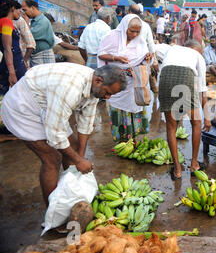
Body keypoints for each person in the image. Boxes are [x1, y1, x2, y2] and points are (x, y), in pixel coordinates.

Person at [0, 63, 126, 206]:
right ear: (98, 81)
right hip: (23, 107)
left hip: (48, 104)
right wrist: (78, 161)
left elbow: (86, 122)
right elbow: (55, 134)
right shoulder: (70, 88)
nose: (108, 97)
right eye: (108, 92)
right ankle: (53, 211)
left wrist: (80, 156)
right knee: (52, 159)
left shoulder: (96, 85)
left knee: (74, 148)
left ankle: (70, 192)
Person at [158, 40, 211, 180]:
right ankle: (194, 164)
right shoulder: (198, 55)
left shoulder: (172, 49)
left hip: (165, 78)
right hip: (185, 77)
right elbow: (202, 89)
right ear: (198, 49)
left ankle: (177, 169)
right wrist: (207, 117)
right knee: (196, 123)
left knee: (171, 127)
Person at [97, 14, 152, 142]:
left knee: (134, 105)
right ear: (124, 27)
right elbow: (101, 54)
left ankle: (132, 138)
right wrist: (116, 58)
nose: (134, 34)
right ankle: (121, 139)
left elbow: (142, 59)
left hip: (133, 81)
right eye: (132, 31)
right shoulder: (111, 37)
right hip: (115, 81)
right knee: (118, 107)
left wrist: (146, 58)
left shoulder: (140, 40)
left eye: (138, 32)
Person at [0, 0, 27, 95]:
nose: (20, 14)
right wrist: (12, 72)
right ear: (12, 9)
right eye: (18, 11)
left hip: (10, 62)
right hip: (13, 63)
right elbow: (7, 48)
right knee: (22, 92)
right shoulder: (6, 22)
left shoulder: (3, 22)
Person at [21, 0, 55, 66]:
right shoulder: (35, 21)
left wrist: (26, 22)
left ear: (32, 8)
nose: (24, 13)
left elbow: (29, 36)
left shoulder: (42, 21)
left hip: (43, 55)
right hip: (37, 55)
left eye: (25, 10)